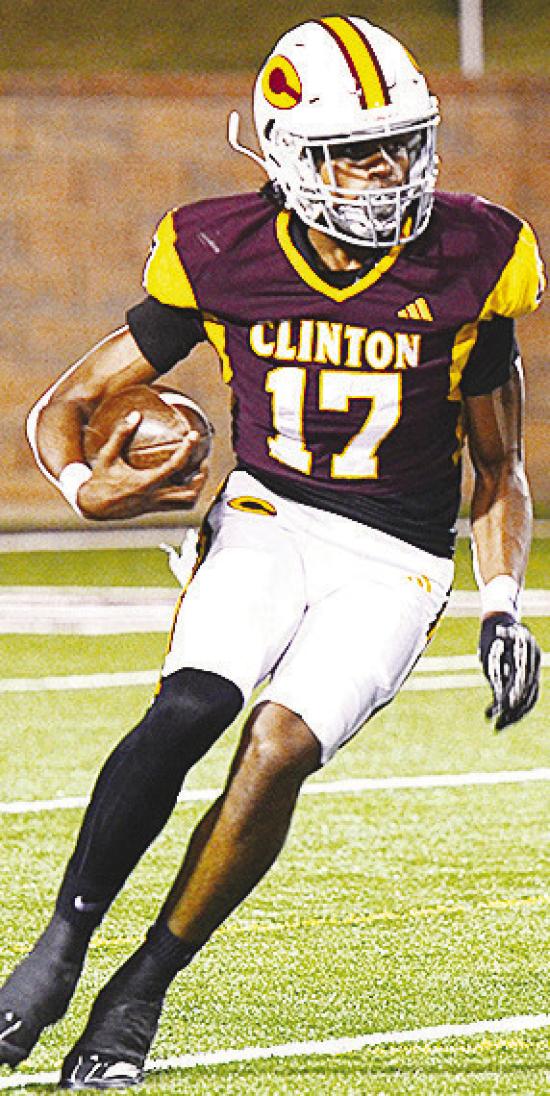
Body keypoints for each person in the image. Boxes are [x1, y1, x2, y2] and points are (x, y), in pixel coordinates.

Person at [0, 14, 543, 1090]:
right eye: (357, 151)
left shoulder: (478, 252)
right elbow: (70, 405)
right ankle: (59, 948)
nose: (388, 170)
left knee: (280, 745)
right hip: (266, 518)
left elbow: (499, 469)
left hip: (397, 556)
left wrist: (502, 604)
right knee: (194, 703)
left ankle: (138, 990)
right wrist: (81, 481)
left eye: (403, 142)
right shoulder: (220, 247)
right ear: (291, 153)